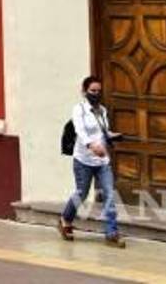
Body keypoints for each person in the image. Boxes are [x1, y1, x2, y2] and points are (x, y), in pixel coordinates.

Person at [60, 75, 125, 247]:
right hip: (83, 160)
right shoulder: (79, 109)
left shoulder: (102, 111)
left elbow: (103, 131)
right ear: (84, 91)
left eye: (98, 91)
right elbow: (80, 130)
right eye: (92, 91)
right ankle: (66, 219)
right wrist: (91, 145)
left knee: (110, 194)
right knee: (81, 193)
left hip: (102, 161)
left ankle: (112, 233)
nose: (96, 94)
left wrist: (112, 136)